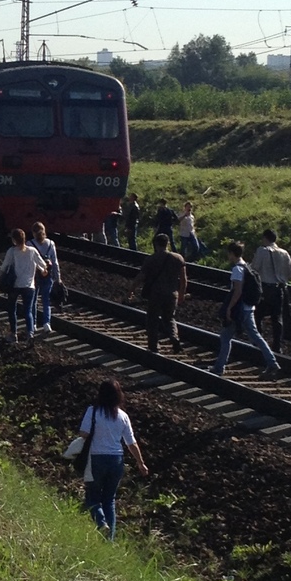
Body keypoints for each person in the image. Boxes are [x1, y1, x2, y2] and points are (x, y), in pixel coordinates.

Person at [75, 377, 149, 541]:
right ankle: (110, 540)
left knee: (92, 497)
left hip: (96, 459)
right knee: (109, 500)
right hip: (116, 461)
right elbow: (131, 443)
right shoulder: (123, 416)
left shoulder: (93, 411)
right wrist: (140, 463)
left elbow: (83, 434)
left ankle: (101, 523)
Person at [211, 241, 281, 377]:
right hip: (249, 308)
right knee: (253, 337)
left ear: (232, 253)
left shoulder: (237, 269)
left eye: (229, 253)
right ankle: (272, 363)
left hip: (240, 309)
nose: (228, 256)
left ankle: (219, 368)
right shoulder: (247, 267)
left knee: (226, 336)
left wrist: (229, 308)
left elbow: (237, 291)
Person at [137, 232, 188, 354]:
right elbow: (184, 279)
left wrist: (130, 291)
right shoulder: (178, 258)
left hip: (155, 294)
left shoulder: (151, 259)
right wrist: (181, 294)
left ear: (156, 244)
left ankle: (153, 346)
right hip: (172, 294)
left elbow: (140, 277)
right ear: (168, 244)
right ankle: (174, 337)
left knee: (152, 319)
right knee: (169, 318)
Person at [0, 228, 48, 345]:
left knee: (12, 309)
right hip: (29, 286)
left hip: (14, 285)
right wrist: (44, 271)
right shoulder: (32, 251)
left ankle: (13, 334)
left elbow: (3, 269)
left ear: (14, 240)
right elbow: (43, 267)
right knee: (28, 311)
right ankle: (30, 334)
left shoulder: (12, 251)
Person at [250, 228, 291, 354]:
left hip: (265, 288)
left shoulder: (262, 251)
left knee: (258, 315)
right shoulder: (284, 253)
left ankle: (258, 342)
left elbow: (254, 269)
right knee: (277, 318)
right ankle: (277, 346)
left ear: (265, 238)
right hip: (279, 289)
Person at [30, 220, 61, 336]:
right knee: (46, 300)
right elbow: (55, 262)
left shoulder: (29, 244)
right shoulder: (51, 244)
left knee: (33, 300)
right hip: (48, 275)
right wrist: (58, 277)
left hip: (34, 275)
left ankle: (33, 324)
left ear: (33, 233)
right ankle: (47, 324)